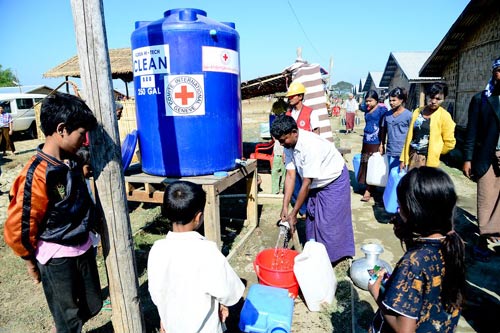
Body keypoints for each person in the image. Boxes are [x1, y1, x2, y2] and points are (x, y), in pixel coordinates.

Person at [3, 93, 101, 333]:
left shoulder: (73, 160)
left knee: (93, 304)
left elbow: (81, 168)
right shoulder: (36, 174)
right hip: (57, 256)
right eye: (81, 134)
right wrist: (29, 261)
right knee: (68, 319)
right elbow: (21, 225)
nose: (85, 140)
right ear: (62, 129)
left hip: (82, 246)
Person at [368, 167, 465, 333]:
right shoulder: (454, 244)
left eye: (400, 207)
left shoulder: (413, 262)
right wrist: (394, 283)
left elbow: (404, 329)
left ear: (414, 212)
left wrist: (376, 292)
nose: (397, 214)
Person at [147, 180, 245, 333]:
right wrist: (222, 303)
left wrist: (164, 316)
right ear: (198, 217)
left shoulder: (157, 249)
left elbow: (157, 294)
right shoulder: (207, 251)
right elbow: (231, 293)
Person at [271, 115, 354, 265]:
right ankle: (315, 255)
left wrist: (294, 213)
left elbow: (306, 183)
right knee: (312, 219)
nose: (281, 144)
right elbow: (290, 175)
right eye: (279, 141)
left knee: (329, 223)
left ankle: (333, 260)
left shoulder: (310, 146)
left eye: (283, 140)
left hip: (333, 180)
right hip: (316, 182)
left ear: (294, 132)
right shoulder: (289, 145)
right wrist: (285, 207)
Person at [462, 56, 500, 261]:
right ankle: (482, 240)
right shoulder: (481, 99)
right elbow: (471, 132)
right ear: (494, 72)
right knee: (485, 198)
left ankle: (497, 234)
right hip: (487, 155)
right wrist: (468, 158)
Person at [400, 83, 456, 170]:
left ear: (444, 99)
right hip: (412, 156)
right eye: (431, 97)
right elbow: (409, 137)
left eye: (438, 99)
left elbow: (450, 143)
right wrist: (403, 159)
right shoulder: (417, 112)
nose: (433, 101)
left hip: (428, 160)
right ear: (426, 96)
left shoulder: (445, 116)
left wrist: (435, 151)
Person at [285, 81, 321, 216]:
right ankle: (302, 210)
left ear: (300, 96)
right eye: (289, 96)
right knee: (295, 184)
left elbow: (317, 133)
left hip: (307, 154)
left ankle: (311, 209)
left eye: (292, 96)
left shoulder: (311, 113)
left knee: (308, 183)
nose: (290, 99)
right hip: (292, 153)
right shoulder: (288, 115)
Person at [357, 90, 388, 202]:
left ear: (376, 100)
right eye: (367, 101)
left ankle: (369, 190)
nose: (368, 103)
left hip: (376, 141)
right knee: (365, 163)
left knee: (373, 164)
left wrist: (382, 144)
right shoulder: (366, 109)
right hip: (366, 140)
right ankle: (368, 184)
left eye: (370, 101)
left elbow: (384, 127)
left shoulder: (382, 110)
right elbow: (360, 106)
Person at [380, 87, 412, 172]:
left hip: (402, 152)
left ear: (401, 100)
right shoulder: (387, 115)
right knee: (391, 175)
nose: (391, 103)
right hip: (390, 150)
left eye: (394, 100)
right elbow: (383, 131)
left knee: (401, 175)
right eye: (390, 100)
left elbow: (412, 134)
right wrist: (382, 145)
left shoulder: (409, 115)